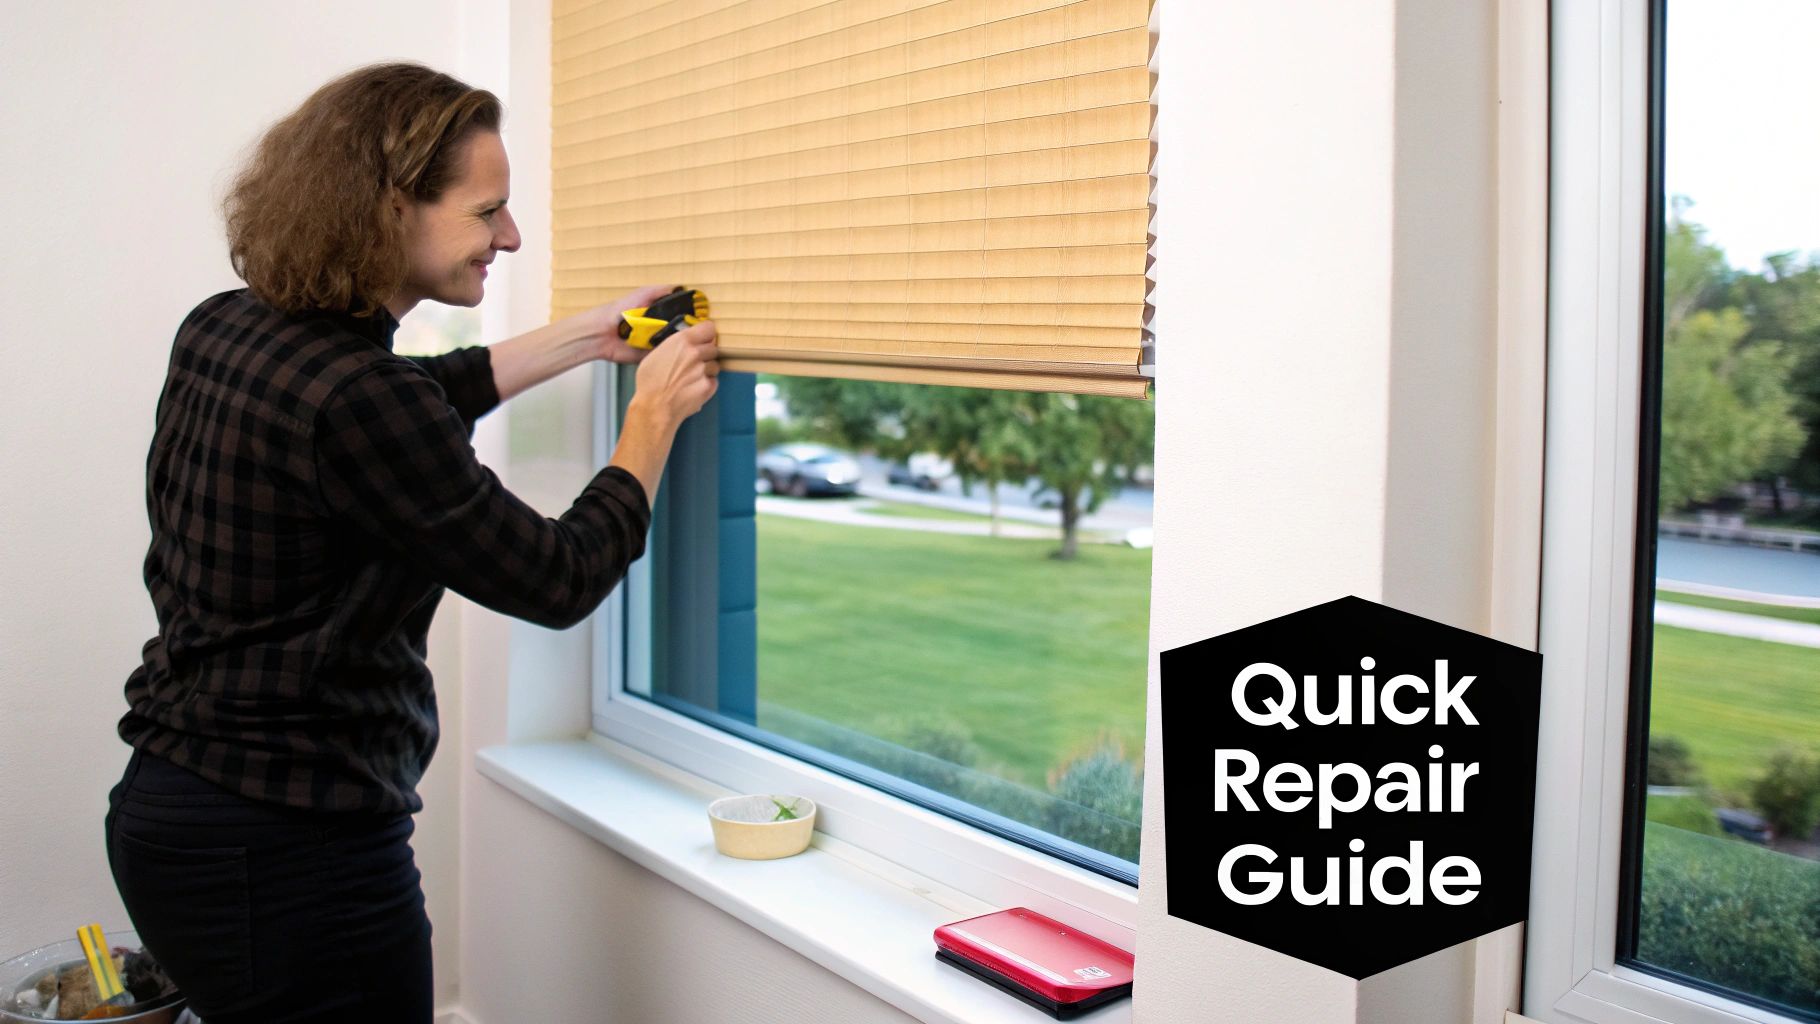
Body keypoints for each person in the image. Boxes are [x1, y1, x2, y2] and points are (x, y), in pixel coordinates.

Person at [102, 63, 717, 1022]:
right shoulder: (360, 399)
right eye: (488, 212)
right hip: (289, 853)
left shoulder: (227, 326)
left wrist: (586, 338)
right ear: (392, 209)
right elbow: (556, 578)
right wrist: (653, 421)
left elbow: (403, 410)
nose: (509, 236)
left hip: (173, 808)